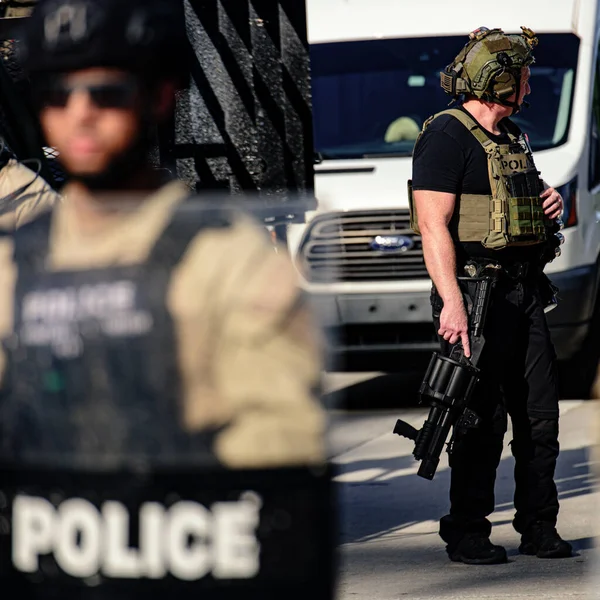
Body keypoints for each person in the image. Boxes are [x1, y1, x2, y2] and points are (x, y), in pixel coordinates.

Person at [0, 0, 326, 468]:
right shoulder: (15, 264)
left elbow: (280, 451)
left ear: (159, 96)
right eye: (56, 94)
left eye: (106, 93)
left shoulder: (229, 261)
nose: (80, 114)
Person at [410, 26, 572, 564]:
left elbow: (521, 202)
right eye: (522, 79)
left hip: (523, 293)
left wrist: (548, 202)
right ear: (498, 81)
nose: (528, 88)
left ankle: (538, 526)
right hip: (475, 296)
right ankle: (467, 531)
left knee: (539, 416)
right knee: (478, 418)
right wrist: (451, 302)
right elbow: (433, 226)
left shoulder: (514, 136)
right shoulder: (446, 136)